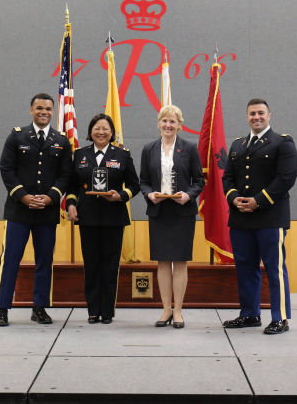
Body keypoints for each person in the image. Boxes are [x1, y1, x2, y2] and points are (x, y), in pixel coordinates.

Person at [0, 93, 72, 326]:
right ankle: (2, 308)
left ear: (52, 111)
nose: (44, 112)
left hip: (46, 212)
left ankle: (39, 308)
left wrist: (50, 198)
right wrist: (23, 196)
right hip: (19, 210)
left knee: (44, 260)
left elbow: (65, 175)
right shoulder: (17, 137)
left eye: (48, 109)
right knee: (11, 259)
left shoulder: (61, 140)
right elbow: (6, 169)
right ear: (31, 110)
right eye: (39, 108)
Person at [222, 98, 297, 334]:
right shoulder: (237, 145)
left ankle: (280, 318)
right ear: (247, 117)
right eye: (252, 113)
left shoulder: (282, 143)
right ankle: (250, 314)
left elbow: (286, 179)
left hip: (269, 217)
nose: (256, 117)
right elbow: (228, 178)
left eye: (261, 113)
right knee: (245, 268)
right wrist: (234, 198)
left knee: (274, 269)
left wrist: (258, 201)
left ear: (269, 115)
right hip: (241, 218)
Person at [66, 114, 139, 324]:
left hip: (113, 217)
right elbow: (72, 187)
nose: (101, 132)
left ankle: (107, 310)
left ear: (112, 132)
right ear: (90, 132)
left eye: (105, 129)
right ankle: (92, 310)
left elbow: (134, 185)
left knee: (110, 265)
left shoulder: (123, 155)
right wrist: (71, 204)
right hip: (86, 217)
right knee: (91, 265)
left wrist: (121, 196)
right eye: (97, 128)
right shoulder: (79, 154)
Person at [139, 105, 204, 329]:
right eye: (164, 121)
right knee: (163, 261)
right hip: (159, 211)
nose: (168, 125)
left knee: (180, 261)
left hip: (182, 211)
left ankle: (178, 311)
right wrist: (149, 194)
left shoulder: (189, 148)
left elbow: (199, 181)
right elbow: (143, 181)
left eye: (173, 122)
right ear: (159, 123)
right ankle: (166, 309)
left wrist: (188, 195)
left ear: (179, 125)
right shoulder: (149, 149)